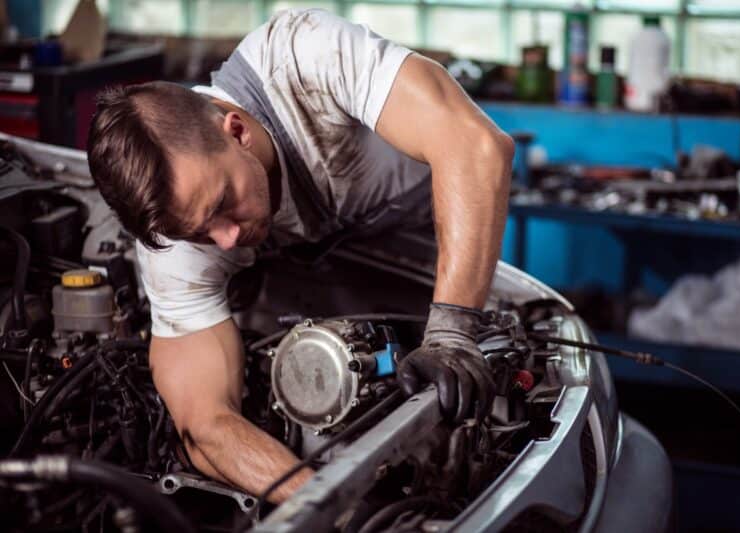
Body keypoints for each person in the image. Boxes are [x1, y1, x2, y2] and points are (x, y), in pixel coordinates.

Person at [86, 8, 512, 503]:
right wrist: (328, 505)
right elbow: (204, 428)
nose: (225, 240)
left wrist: (453, 331)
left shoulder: (301, 56)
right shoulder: (175, 246)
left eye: (222, 205)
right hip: (342, 286)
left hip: (455, 250)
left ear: (237, 130)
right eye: (200, 233)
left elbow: (477, 146)